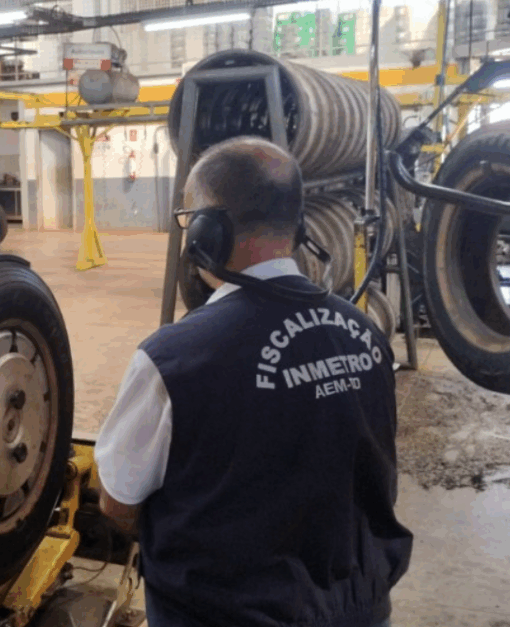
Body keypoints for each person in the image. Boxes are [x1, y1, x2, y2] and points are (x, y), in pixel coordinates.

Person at [94, 137, 413, 627]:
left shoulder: (171, 359)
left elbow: (118, 501)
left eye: (188, 220)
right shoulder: (365, 334)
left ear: (207, 232)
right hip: (359, 610)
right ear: (299, 225)